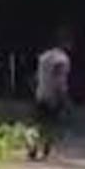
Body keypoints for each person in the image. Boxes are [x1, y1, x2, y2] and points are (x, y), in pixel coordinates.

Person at [29, 31, 72, 161]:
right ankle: (46, 151)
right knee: (51, 126)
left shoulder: (44, 56)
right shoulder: (62, 60)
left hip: (40, 93)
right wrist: (63, 98)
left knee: (38, 124)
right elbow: (60, 80)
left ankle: (33, 147)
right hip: (53, 96)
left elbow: (36, 76)